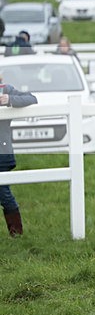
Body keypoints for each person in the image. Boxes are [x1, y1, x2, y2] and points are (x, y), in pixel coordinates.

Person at [0, 76, 38, 237]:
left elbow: (31, 98)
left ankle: (16, 233)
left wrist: (9, 100)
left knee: (3, 192)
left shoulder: (5, 89)